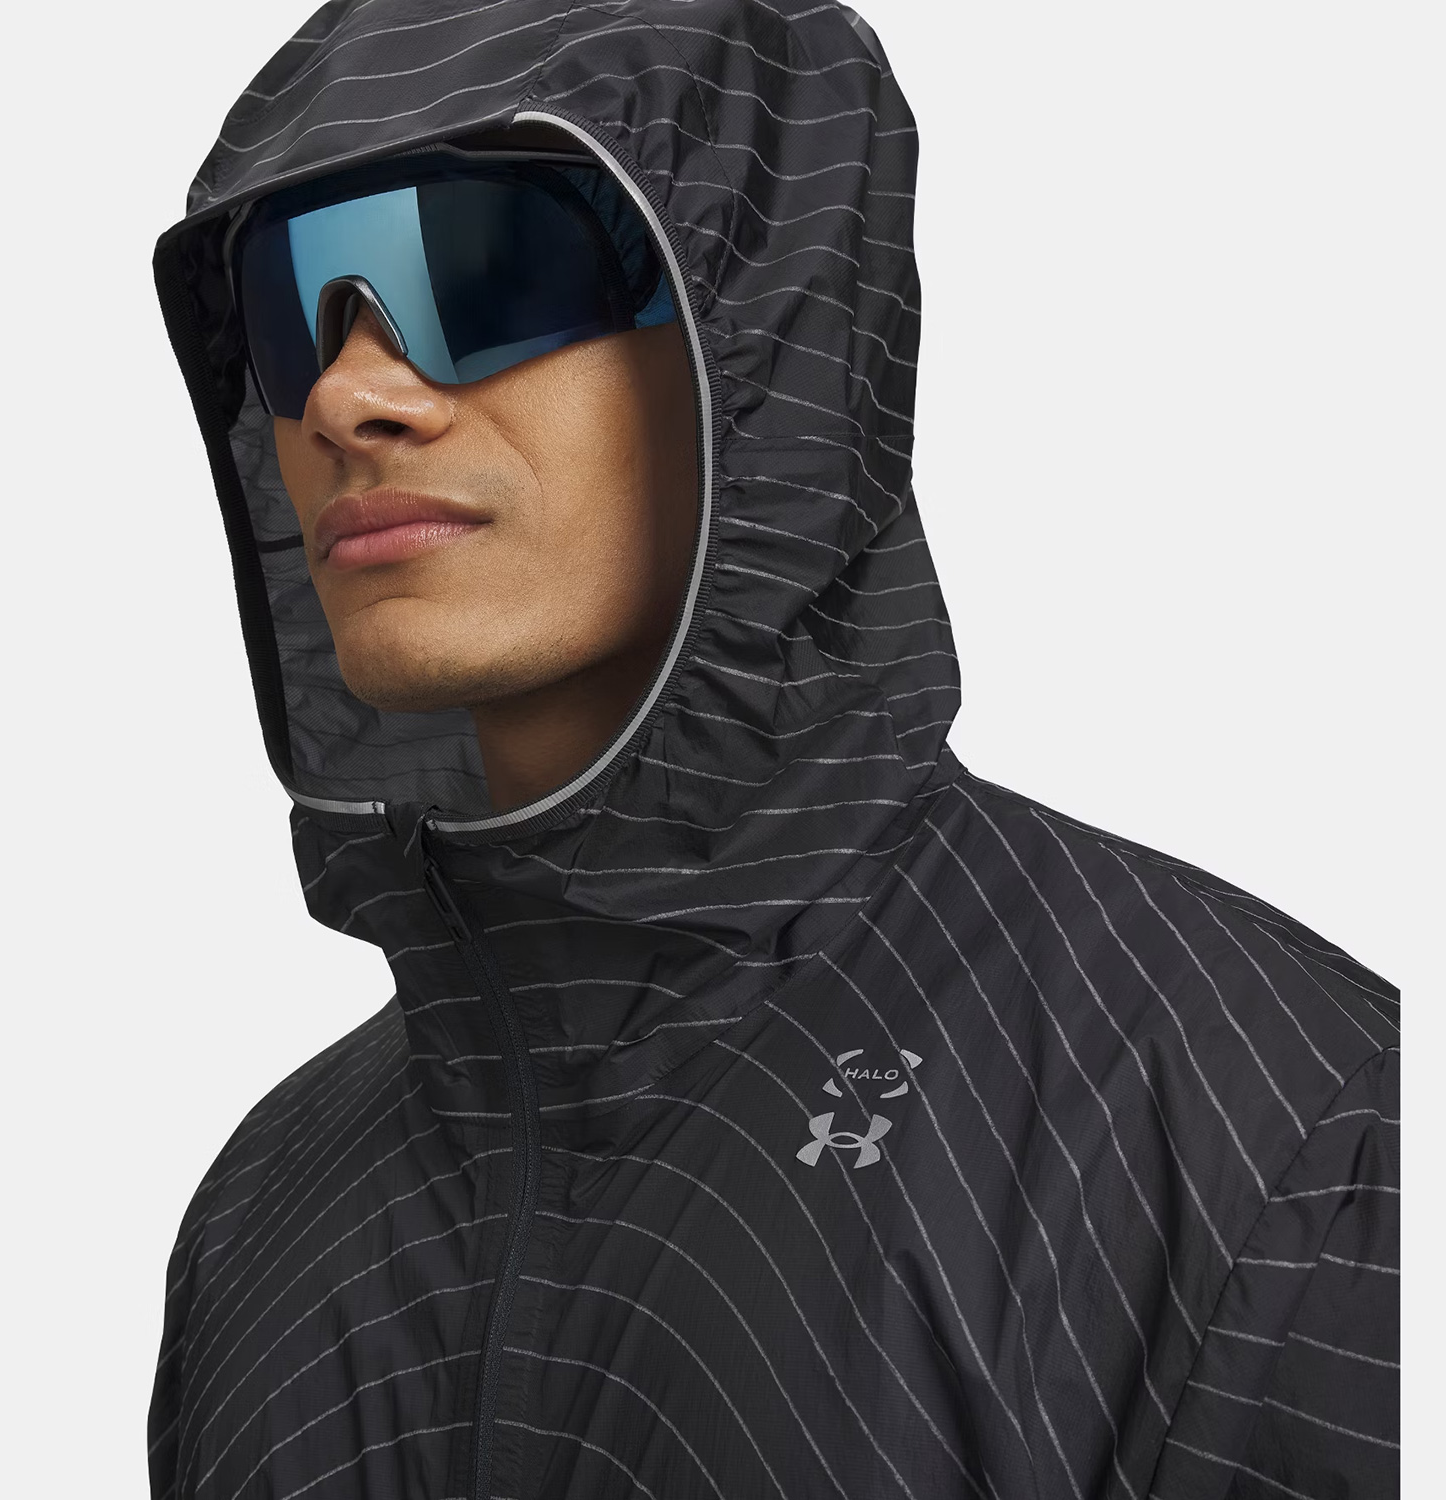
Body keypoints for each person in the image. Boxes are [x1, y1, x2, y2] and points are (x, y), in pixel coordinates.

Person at [149, 3, 1400, 1497]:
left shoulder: (1267, 1133)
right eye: (289, 304)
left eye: (482, 263)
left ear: (766, 330)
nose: (351, 398)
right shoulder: (266, 1214)